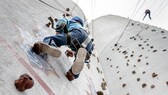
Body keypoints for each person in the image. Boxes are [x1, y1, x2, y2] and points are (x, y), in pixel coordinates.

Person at [33, 16, 94, 81]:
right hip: (89, 43)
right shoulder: (82, 28)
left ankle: (45, 45)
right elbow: (78, 41)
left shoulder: (70, 21)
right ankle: (73, 74)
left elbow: (62, 22)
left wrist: (58, 35)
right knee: (81, 55)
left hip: (78, 33)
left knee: (54, 39)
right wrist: (73, 51)